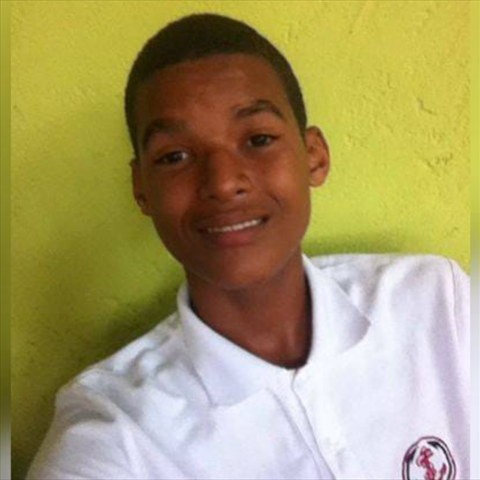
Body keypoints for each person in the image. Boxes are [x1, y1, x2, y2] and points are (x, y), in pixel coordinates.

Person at [27, 13, 469, 480]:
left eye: (258, 139)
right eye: (175, 156)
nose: (222, 182)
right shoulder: (119, 434)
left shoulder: (439, 305)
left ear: (314, 156)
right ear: (141, 189)